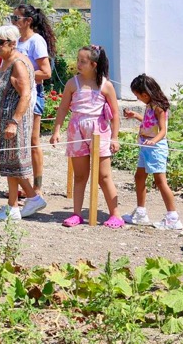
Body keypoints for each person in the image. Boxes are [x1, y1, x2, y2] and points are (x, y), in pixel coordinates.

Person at [50, 44, 122, 228]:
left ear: (94, 64)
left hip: (99, 131)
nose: (78, 64)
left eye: (83, 61)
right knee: (80, 175)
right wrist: (56, 130)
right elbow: (63, 108)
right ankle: (76, 214)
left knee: (103, 176)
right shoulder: (72, 83)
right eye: (78, 60)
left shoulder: (106, 85)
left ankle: (115, 214)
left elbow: (115, 114)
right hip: (76, 131)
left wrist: (114, 137)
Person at [0, 25, 47, 221]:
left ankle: (24, 201)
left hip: (12, 123)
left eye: (0, 42)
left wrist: (14, 122)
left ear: (13, 44)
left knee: (14, 164)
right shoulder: (6, 61)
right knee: (9, 165)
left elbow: (26, 94)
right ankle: (19, 203)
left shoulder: (18, 63)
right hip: (2, 123)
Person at [123, 74, 181, 230]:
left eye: (137, 96)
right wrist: (135, 115)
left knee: (160, 182)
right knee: (139, 176)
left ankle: (172, 217)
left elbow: (163, 131)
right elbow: (149, 124)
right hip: (145, 147)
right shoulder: (149, 105)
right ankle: (141, 212)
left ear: (146, 94)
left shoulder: (159, 108)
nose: (138, 99)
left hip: (155, 149)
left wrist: (153, 141)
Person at [12, 4, 57, 198]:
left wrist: (24, 77)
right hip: (16, 95)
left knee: (32, 140)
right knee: (16, 141)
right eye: (12, 18)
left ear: (28, 21)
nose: (13, 22)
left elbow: (46, 72)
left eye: (16, 18)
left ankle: (36, 186)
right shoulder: (16, 41)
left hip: (32, 94)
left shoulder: (35, 41)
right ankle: (21, 184)